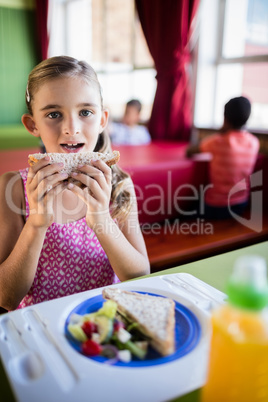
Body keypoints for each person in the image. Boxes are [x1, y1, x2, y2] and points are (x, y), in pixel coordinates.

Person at [0, 56, 150, 310]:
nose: (71, 128)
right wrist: (36, 223)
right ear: (32, 124)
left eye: (85, 112)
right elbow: (5, 297)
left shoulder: (118, 186)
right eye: (54, 114)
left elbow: (139, 275)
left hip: (101, 327)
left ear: (102, 120)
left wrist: (101, 219)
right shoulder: (13, 188)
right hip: (39, 330)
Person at [187, 96, 260, 219]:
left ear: (225, 118)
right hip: (241, 204)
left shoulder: (218, 141)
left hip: (216, 206)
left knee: (186, 212)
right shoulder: (254, 142)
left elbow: (190, 151)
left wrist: (221, 131)